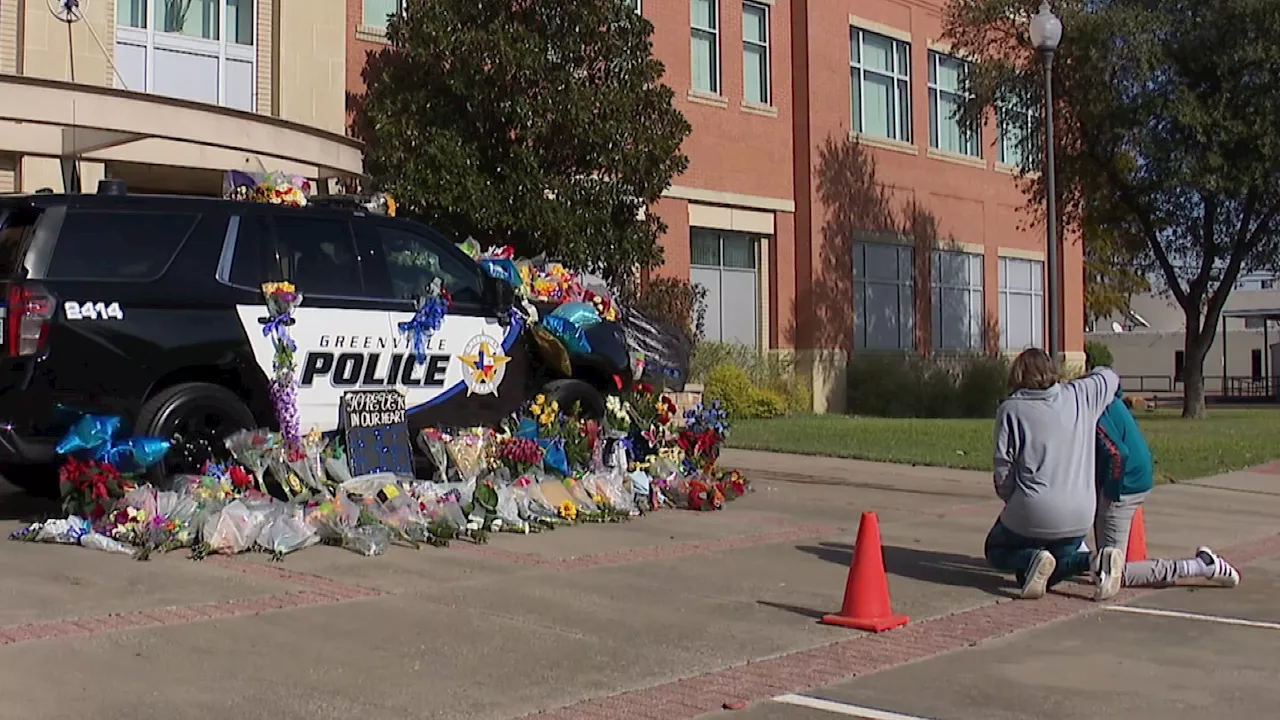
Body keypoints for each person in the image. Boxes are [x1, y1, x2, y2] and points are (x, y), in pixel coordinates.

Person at [985, 348, 1120, 599]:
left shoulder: (1012, 409)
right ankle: (1095, 560)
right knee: (1054, 563)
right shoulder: (1081, 395)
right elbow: (1109, 375)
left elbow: (1004, 465)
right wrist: (1081, 380)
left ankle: (1034, 557)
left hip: (1032, 507)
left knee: (996, 549)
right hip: (1080, 511)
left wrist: (1010, 499)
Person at [1092, 385, 1240, 600]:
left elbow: (1118, 453)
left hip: (1124, 485)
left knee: (1116, 573)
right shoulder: (1108, 399)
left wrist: (1109, 494)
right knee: (1106, 563)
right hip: (1136, 476)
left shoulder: (1095, 409)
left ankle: (1200, 566)